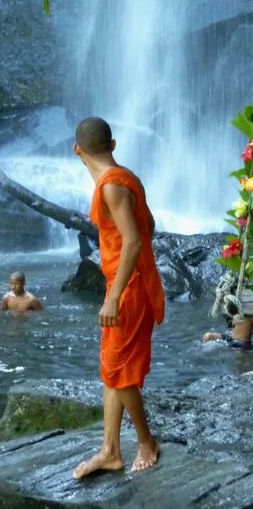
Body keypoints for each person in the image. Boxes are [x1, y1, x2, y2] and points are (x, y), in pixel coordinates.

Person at [71, 117, 165, 479]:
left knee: (120, 373)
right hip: (126, 284)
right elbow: (150, 225)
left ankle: (146, 441)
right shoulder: (127, 178)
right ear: (113, 145)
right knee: (112, 370)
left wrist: (115, 296)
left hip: (127, 290)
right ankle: (110, 451)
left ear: (77, 150)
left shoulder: (111, 187)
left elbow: (135, 240)